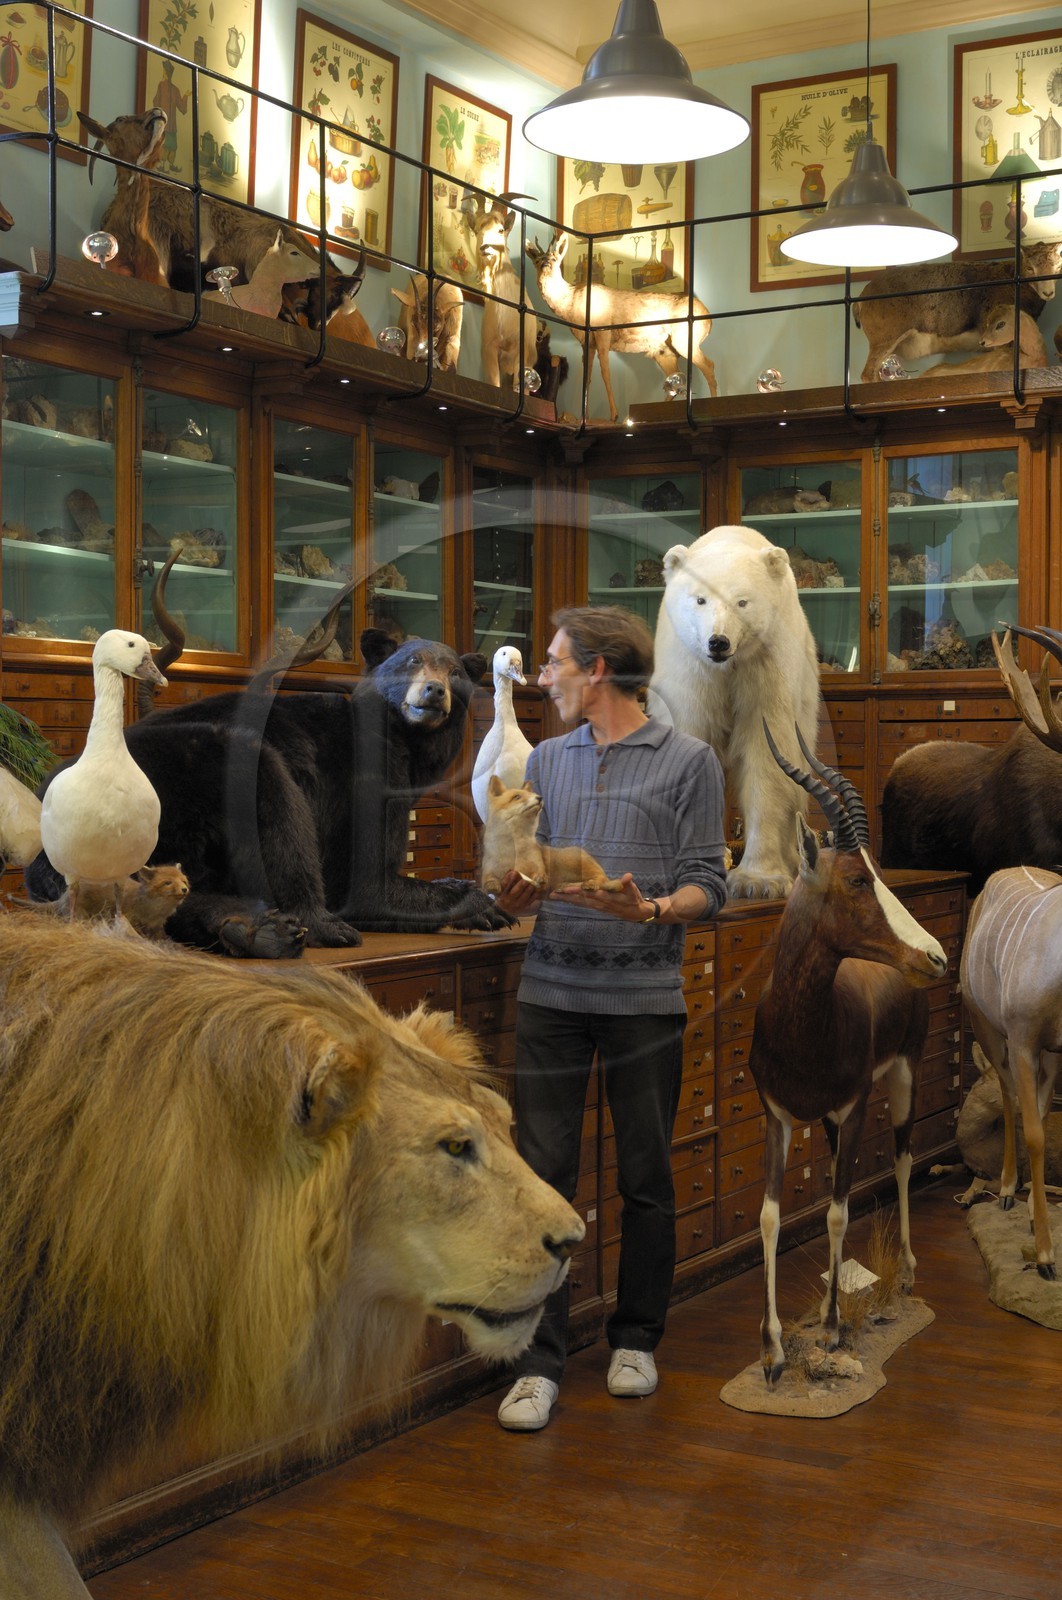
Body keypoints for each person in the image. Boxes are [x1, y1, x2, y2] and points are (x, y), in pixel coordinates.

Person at [494, 605, 727, 1432]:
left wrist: (658, 909)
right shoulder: (546, 760)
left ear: (596, 671)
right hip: (550, 995)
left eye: (554, 663)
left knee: (645, 1178)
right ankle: (537, 1363)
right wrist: (513, 888)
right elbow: (520, 870)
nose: (542, 677)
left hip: (643, 1003)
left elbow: (711, 880)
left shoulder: (690, 762)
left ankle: (635, 1338)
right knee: (540, 1179)